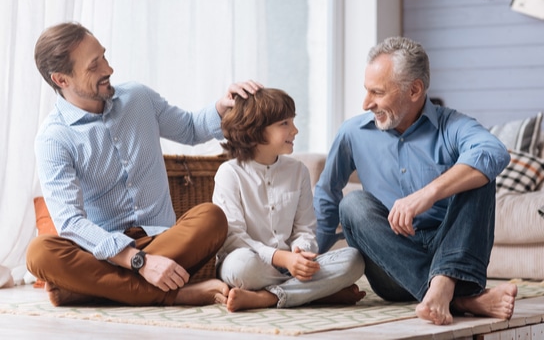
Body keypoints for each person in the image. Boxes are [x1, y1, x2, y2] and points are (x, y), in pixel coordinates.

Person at [26, 22, 262, 307]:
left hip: (164, 241)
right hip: (105, 252)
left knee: (212, 217)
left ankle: (94, 290)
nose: (108, 69)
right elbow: (71, 223)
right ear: (62, 80)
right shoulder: (54, 138)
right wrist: (138, 261)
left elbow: (189, 128)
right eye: (94, 66)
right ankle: (177, 295)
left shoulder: (138, 97)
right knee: (39, 253)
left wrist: (222, 107)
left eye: (104, 56)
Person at [313, 36, 518, 325]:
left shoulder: (451, 125)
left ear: (414, 90)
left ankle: (445, 287)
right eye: (366, 90)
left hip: (453, 256)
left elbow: (495, 151)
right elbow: (327, 194)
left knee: (479, 173)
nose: (366, 103)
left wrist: (429, 193)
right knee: (352, 203)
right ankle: (456, 298)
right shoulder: (352, 133)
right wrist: (309, 262)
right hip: (392, 269)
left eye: (377, 92)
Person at [212, 87, 366, 312]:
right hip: (249, 264)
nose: (295, 130)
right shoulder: (229, 173)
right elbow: (233, 238)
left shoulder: (298, 171)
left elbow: (305, 229)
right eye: (284, 123)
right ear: (255, 130)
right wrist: (281, 258)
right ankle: (316, 293)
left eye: (292, 121)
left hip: (288, 268)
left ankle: (268, 297)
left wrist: (300, 251)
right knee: (243, 266)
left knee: (354, 260)